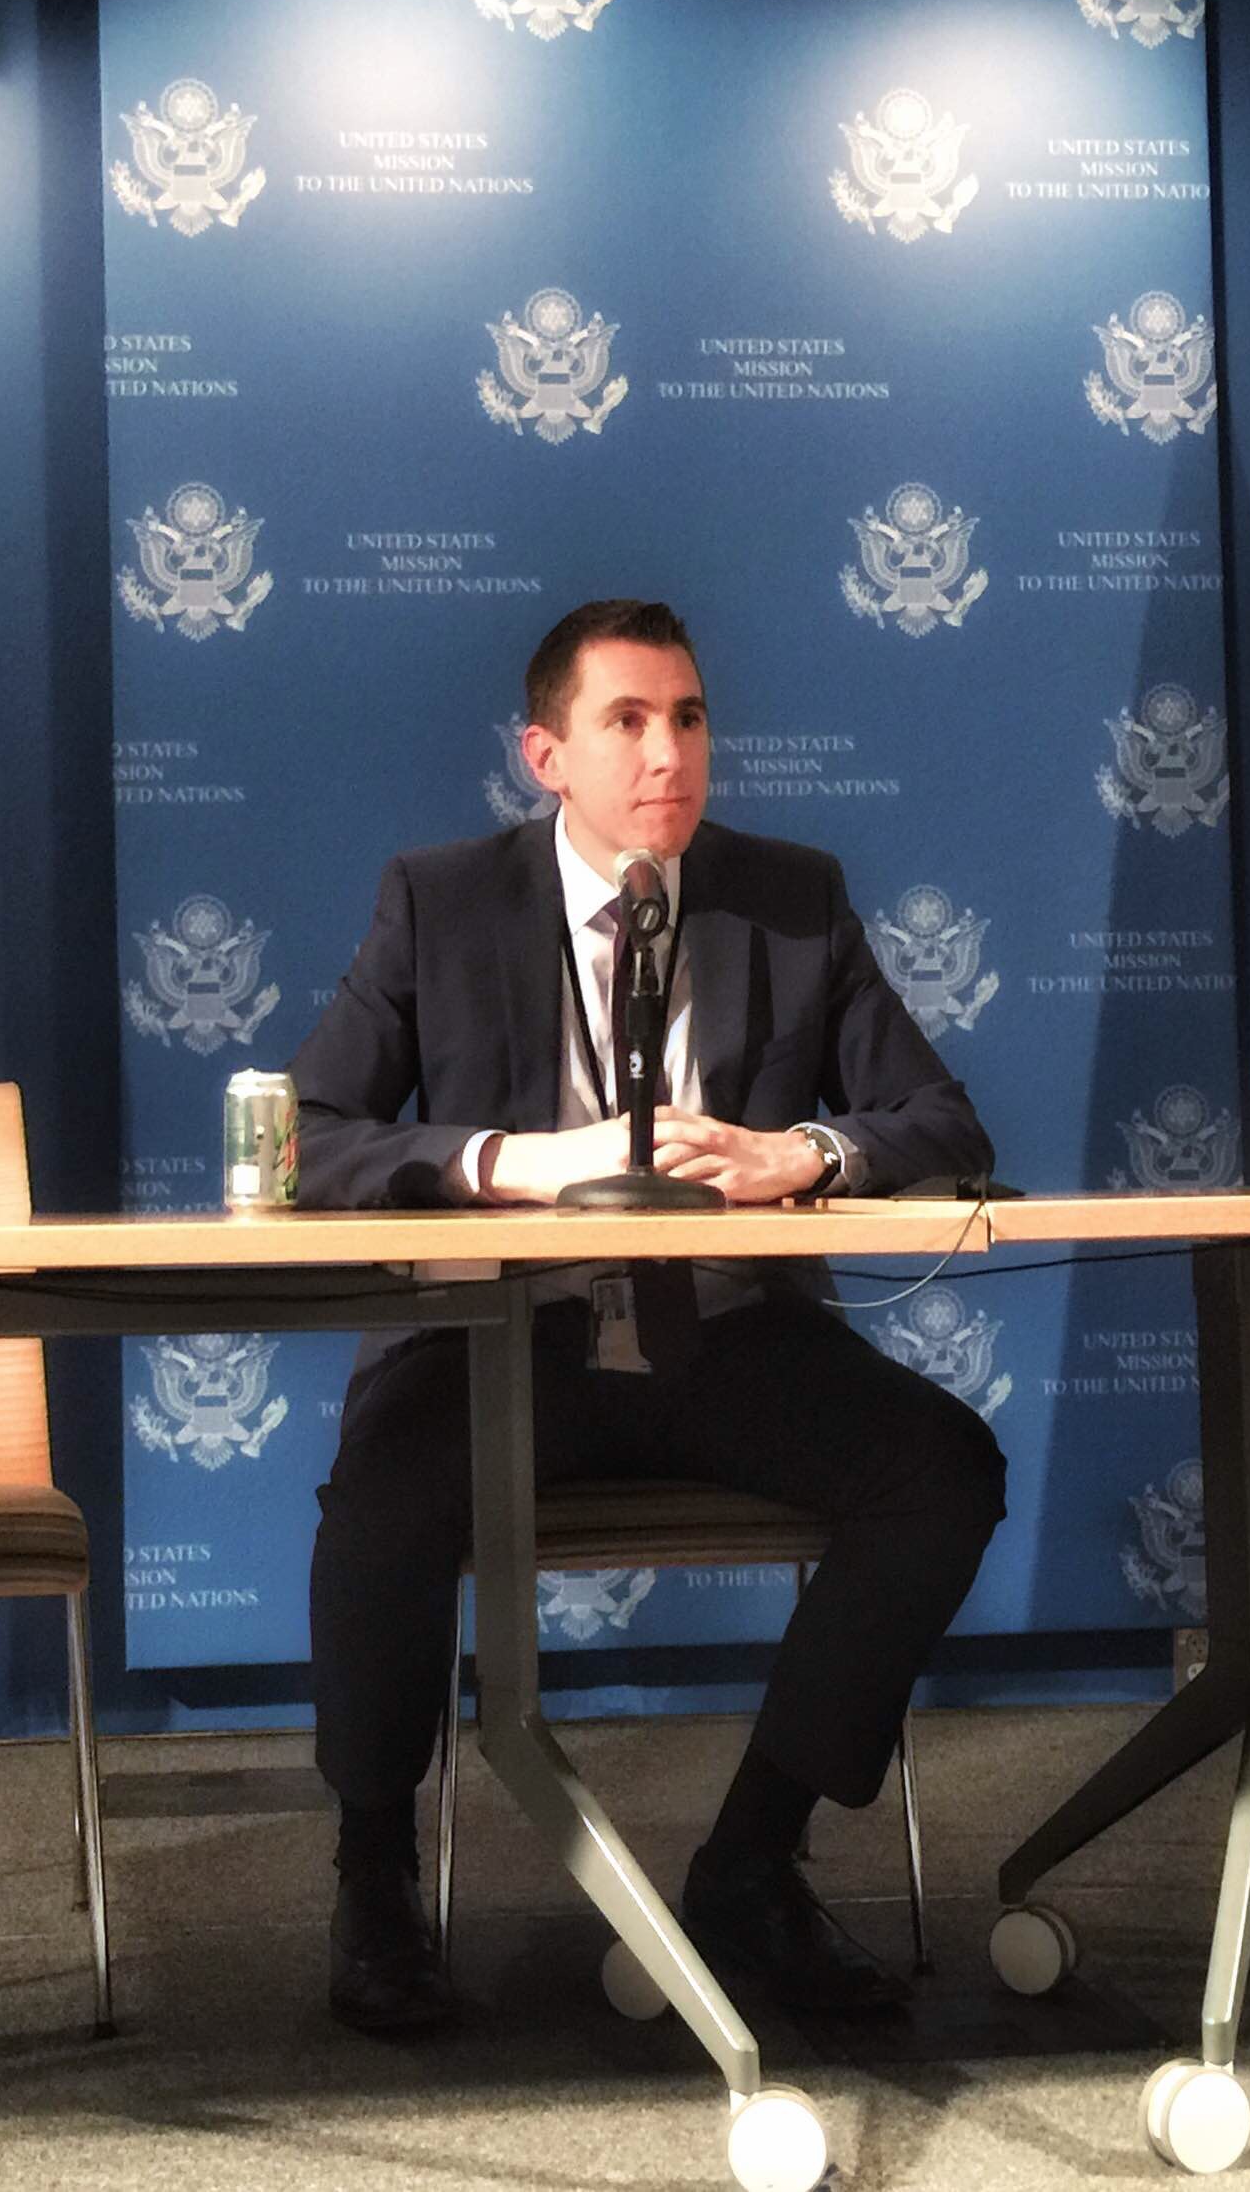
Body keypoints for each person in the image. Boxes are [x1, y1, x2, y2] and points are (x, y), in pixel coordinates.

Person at [290, 598, 1007, 2033]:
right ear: (545, 755)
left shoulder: (790, 897)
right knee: (381, 1498)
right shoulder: (440, 899)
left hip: (724, 1338)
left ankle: (752, 1864)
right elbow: (312, 1136)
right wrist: (505, 1162)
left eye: (687, 717)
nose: (668, 752)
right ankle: (374, 1879)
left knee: (943, 1470)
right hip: (504, 1338)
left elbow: (942, 1120)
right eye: (625, 721)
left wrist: (803, 1153)